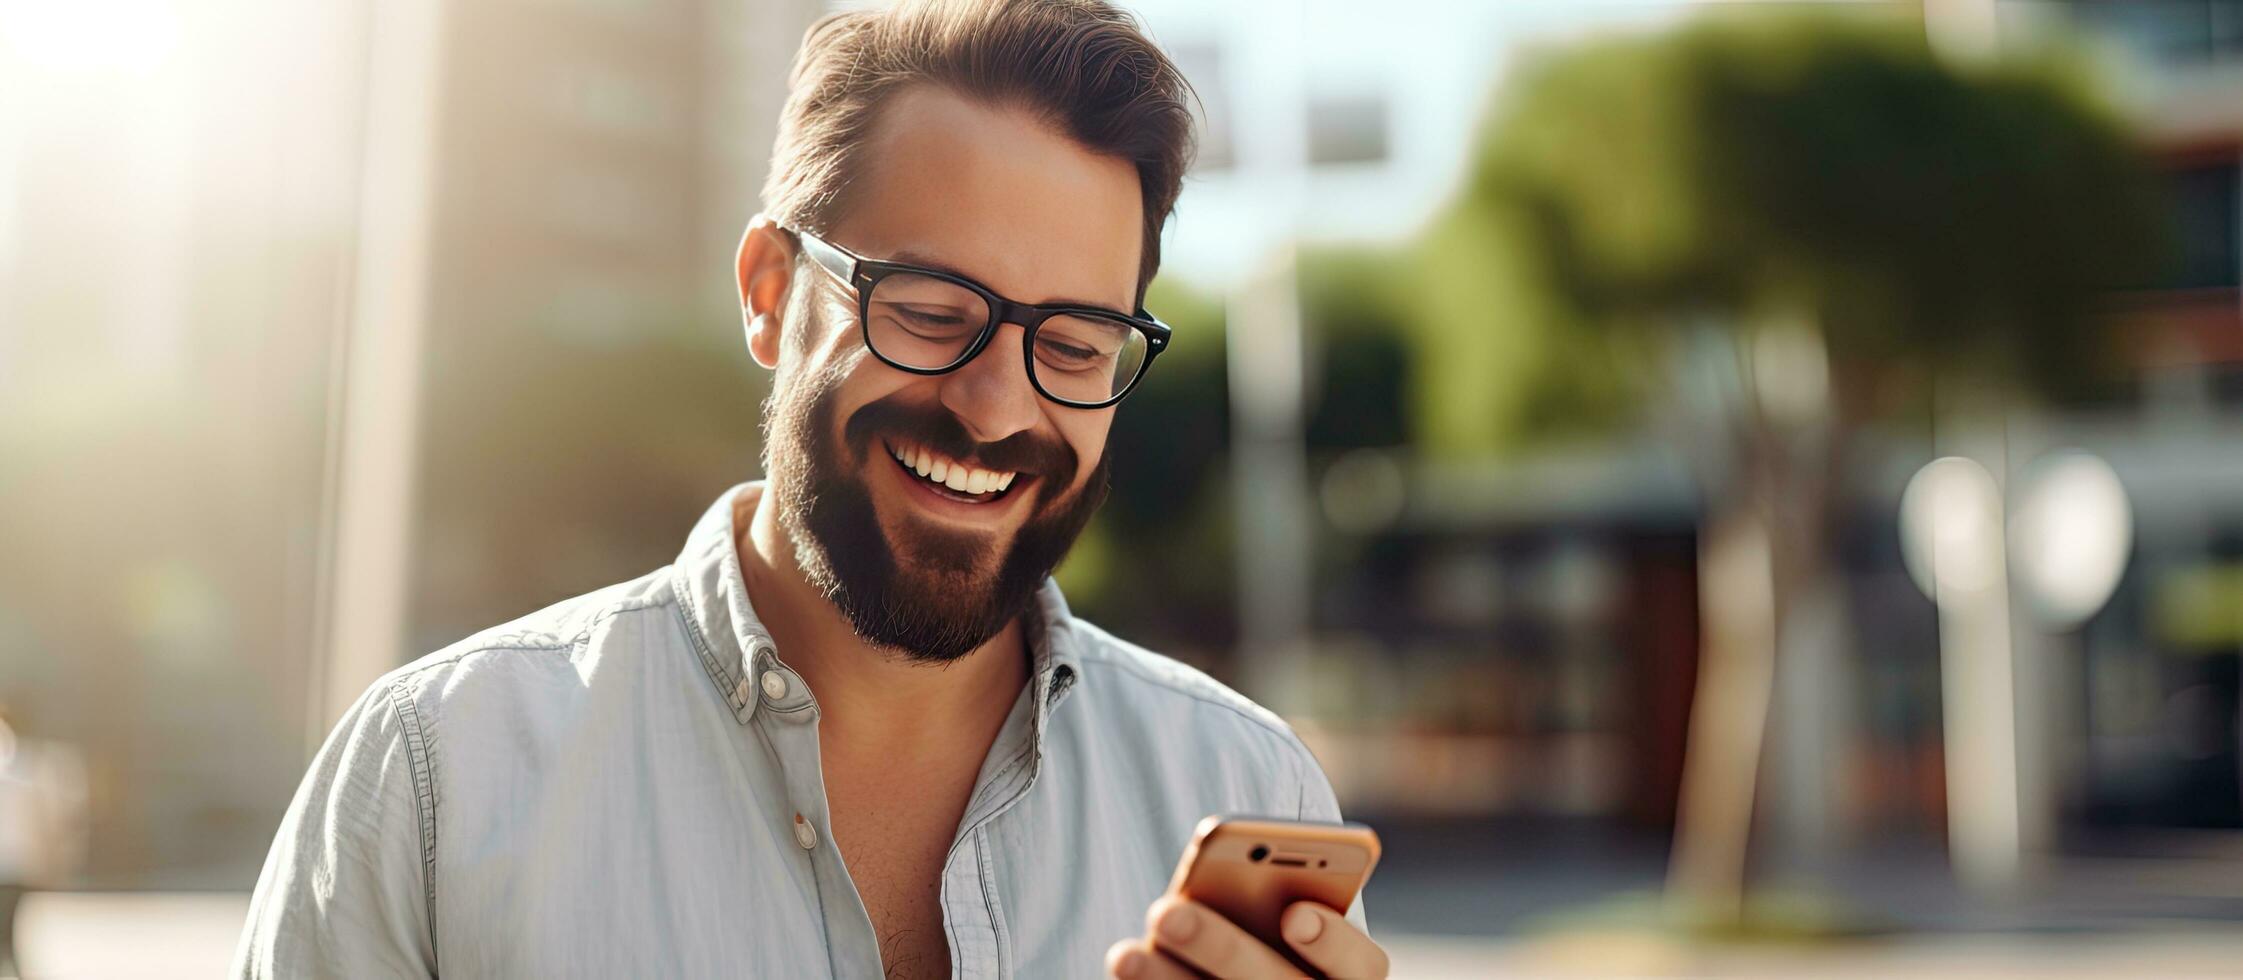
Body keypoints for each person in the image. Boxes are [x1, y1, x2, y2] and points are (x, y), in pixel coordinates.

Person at [235, 1, 1388, 977]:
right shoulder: (436, 781)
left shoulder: (1242, 782)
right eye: (930, 310)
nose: (995, 408)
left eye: (1076, 345)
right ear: (767, 290)